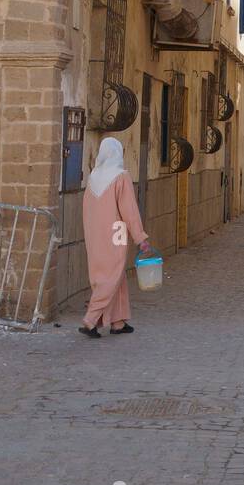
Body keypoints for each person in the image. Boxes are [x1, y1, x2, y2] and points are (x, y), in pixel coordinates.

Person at [79, 137, 149, 339]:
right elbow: (129, 211)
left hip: (94, 235)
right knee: (111, 276)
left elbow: (87, 211)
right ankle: (90, 321)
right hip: (116, 234)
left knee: (113, 274)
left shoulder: (93, 177)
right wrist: (140, 237)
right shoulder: (121, 177)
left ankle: (118, 322)